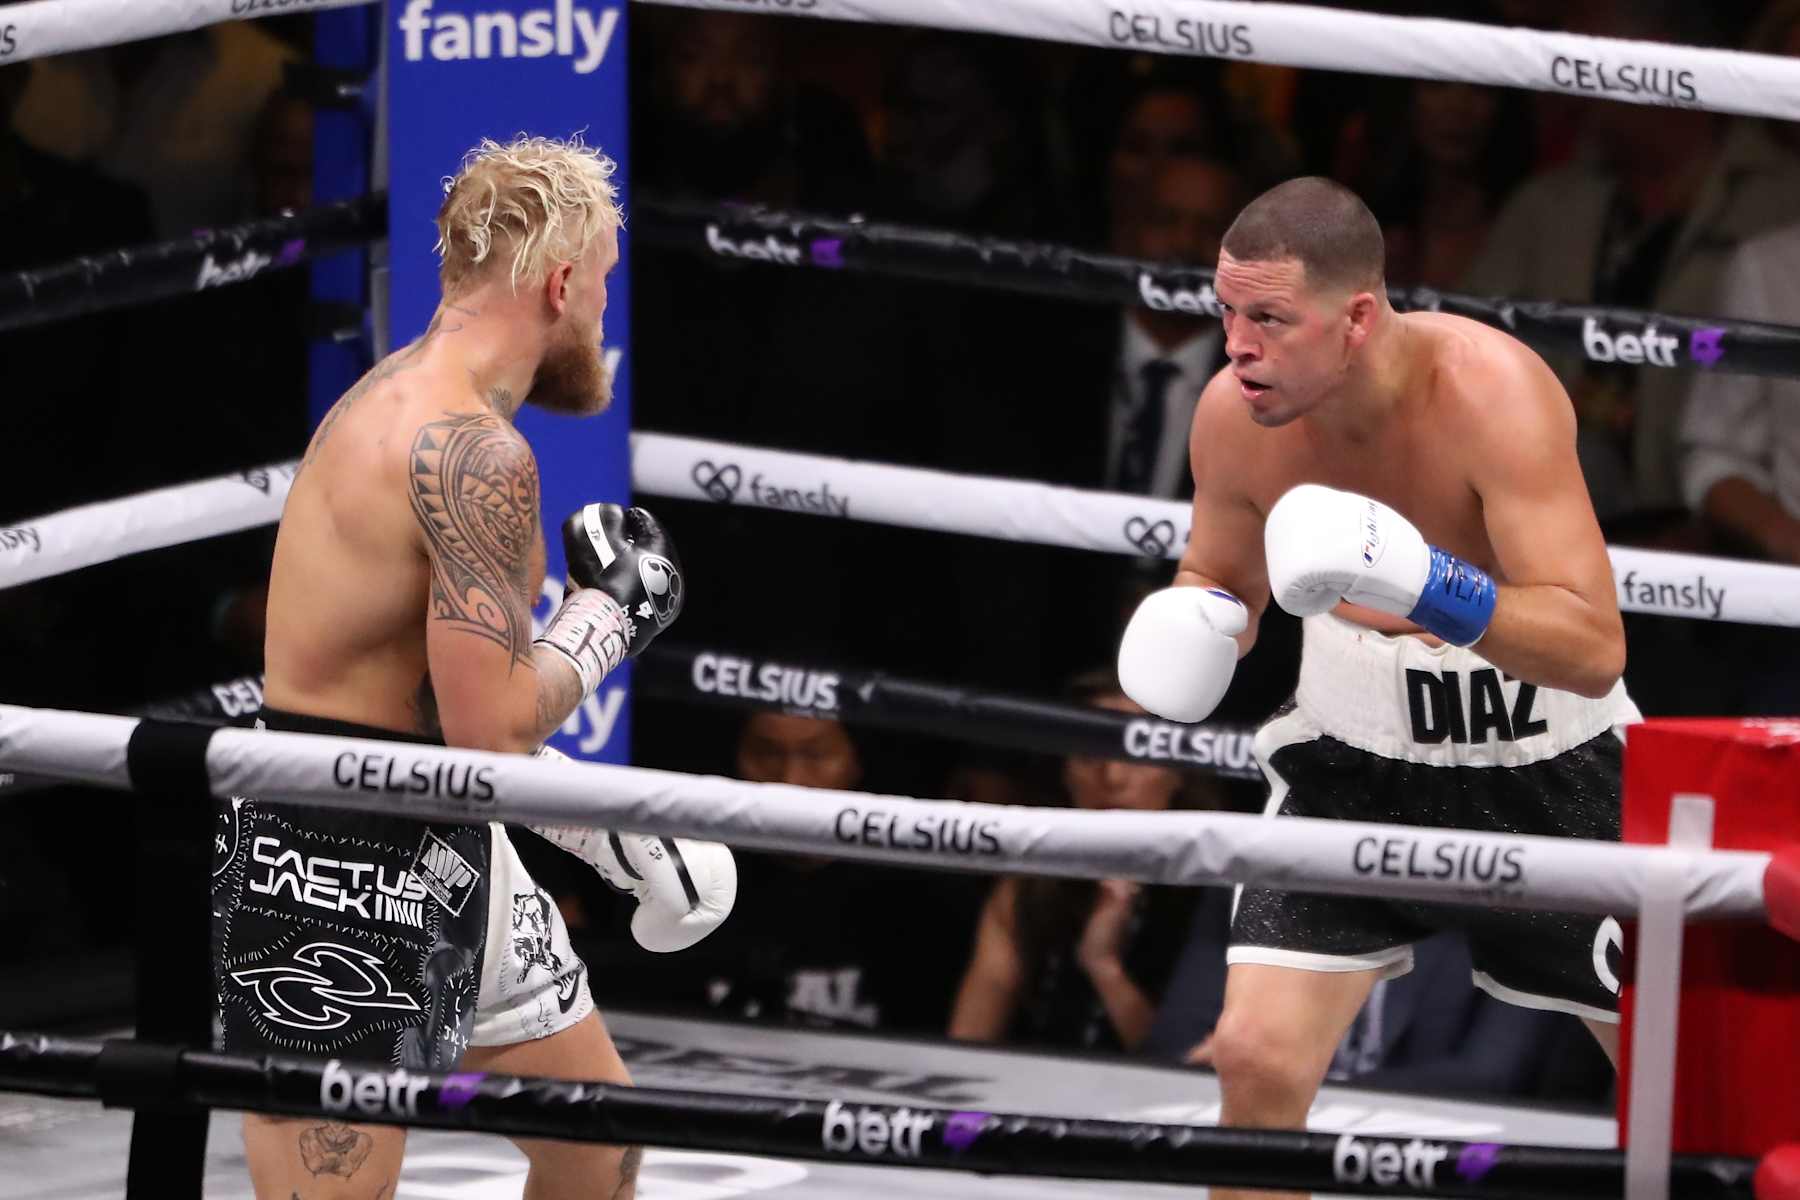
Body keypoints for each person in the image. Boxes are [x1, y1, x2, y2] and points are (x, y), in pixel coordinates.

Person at [210, 135, 736, 1200]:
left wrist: (604, 839)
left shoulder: (395, 400)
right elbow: (491, 732)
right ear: (557, 283)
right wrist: (607, 619)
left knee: (600, 1147)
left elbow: (444, 722)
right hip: (334, 861)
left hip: (437, 828)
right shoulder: (470, 452)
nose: (600, 320)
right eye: (598, 290)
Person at [1117, 177, 1638, 1200]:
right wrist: (1201, 617)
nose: (1236, 345)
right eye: (1225, 313)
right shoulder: (1236, 417)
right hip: (1352, 755)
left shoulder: (1491, 391)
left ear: (1356, 318)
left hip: (1547, 763)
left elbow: (1593, 646)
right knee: (1256, 1061)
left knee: (1680, 1086)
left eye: (1268, 318)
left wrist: (1430, 586)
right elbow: (1219, 572)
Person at [948, 675, 1197, 1053]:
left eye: (1139, 753)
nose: (1112, 777)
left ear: (1179, 771)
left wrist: (1103, 966)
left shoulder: (1220, 896)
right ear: (1065, 769)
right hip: (1031, 1099)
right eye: (1091, 753)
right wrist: (968, 1117)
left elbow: (1197, 1076)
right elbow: (965, 1048)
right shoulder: (1029, 888)